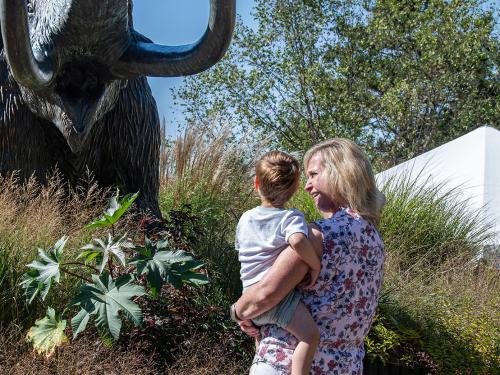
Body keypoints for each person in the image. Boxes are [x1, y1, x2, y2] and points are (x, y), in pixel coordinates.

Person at [231, 139, 385, 375]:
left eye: (313, 175)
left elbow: (264, 296)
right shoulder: (374, 239)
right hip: (344, 368)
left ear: (339, 175)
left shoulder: (317, 236)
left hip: (284, 363)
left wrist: (237, 312)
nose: (307, 186)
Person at [232, 151, 322, 375]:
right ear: (293, 190)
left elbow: (242, 253)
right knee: (310, 337)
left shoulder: (245, 219)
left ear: (256, 183)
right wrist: (315, 265)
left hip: (249, 299)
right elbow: (298, 240)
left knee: (262, 344)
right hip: (279, 302)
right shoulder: (290, 217)